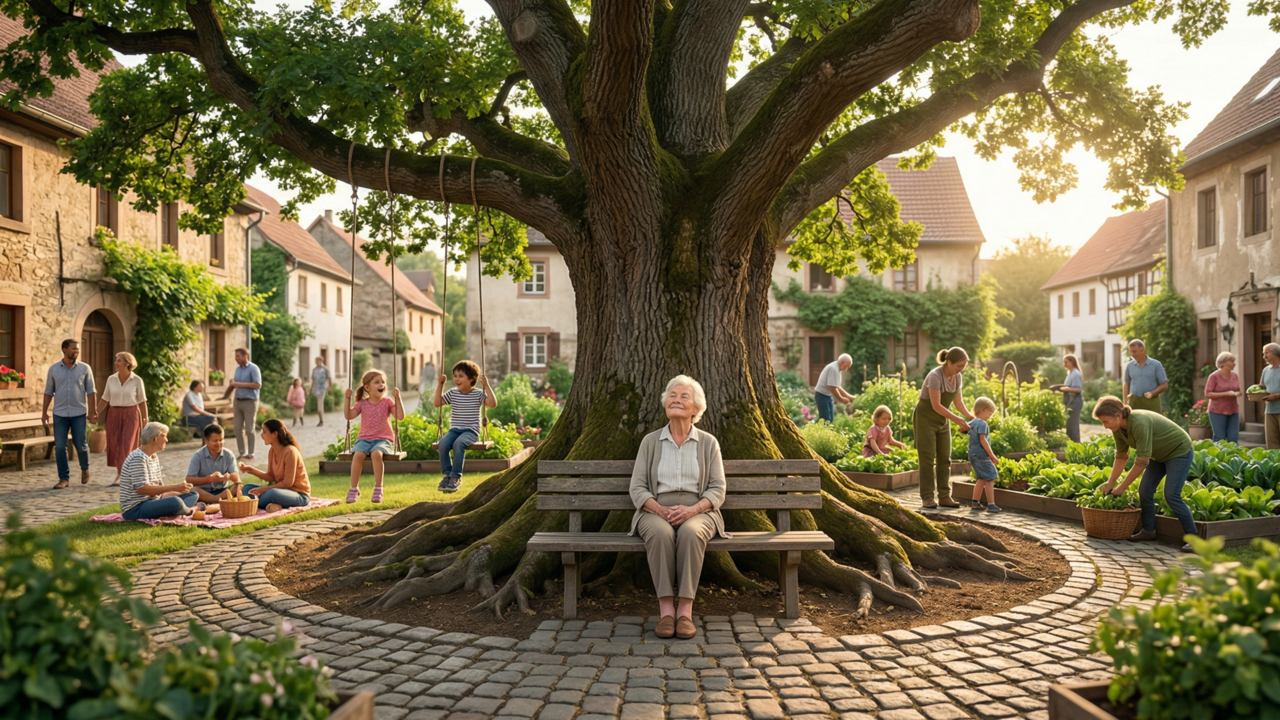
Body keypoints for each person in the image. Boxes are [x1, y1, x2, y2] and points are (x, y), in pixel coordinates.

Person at [629, 376, 727, 640]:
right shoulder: (651, 442)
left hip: (699, 511)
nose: (677, 400)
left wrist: (693, 510)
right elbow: (637, 488)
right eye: (672, 395)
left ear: (697, 408)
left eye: (685, 396)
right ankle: (665, 613)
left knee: (690, 533)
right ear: (665, 405)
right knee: (660, 534)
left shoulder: (708, 443)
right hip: (655, 510)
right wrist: (660, 510)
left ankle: (684, 612)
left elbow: (718, 488)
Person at [1095, 396, 1196, 553]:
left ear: (1118, 415)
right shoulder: (1118, 430)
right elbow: (1121, 456)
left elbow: (1142, 461)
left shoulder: (1139, 423)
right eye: (1102, 423)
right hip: (1158, 455)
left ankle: (1194, 539)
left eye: (1106, 421)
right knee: (1145, 490)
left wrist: (1122, 487)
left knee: (1171, 494)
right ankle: (1148, 531)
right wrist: (1110, 483)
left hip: (1179, 451)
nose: (1105, 426)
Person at [914, 347, 974, 509]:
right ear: (949, 362)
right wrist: (957, 419)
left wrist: (970, 417)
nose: (961, 369)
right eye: (959, 365)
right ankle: (927, 497)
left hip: (942, 420)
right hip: (926, 419)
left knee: (945, 458)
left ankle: (944, 496)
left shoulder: (957, 377)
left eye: (963, 366)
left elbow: (958, 403)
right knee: (927, 459)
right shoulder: (935, 376)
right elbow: (936, 405)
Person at [434, 360, 496, 494]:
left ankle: (455, 477)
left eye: (461, 376)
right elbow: (437, 403)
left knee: (458, 444)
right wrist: (440, 385)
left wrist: (487, 385)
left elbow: (492, 403)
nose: (456, 379)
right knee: (443, 444)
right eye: (455, 375)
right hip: (455, 429)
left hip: (471, 431)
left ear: (472, 378)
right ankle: (447, 475)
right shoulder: (453, 393)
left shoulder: (478, 394)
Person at [344, 369, 406, 504]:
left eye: (383, 382)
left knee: (376, 454)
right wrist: (347, 399)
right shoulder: (362, 404)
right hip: (364, 439)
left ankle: (378, 488)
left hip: (383, 440)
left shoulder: (387, 402)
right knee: (357, 455)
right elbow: (349, 416)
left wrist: (398, 398)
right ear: (367, 387)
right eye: (377, 382)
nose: (381, 385)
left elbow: (400, 417)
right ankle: (354, 489)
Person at [42, 338, 96, 489]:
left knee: (81, 445)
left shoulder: (85, 368)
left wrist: (93, 412)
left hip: (79, 412)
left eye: (77, 349)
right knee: (60, 447)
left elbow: (91, 392)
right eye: (73, 348)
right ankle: (64, 478)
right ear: (64, 350)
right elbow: (48, 392)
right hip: (59, 413)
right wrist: (44, 412)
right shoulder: (54, 369)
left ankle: (84, 468)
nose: (76, 351)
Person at [119, 422, 199, 521]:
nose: (167, 439)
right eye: (164, 436)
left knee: (193, 494)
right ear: (155, 439)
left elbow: (157, 491)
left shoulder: (153, 457)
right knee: (175, 502)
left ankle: (178, 509)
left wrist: (178, 490)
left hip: (152, 501)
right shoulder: (137, 458)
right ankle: (188, 511)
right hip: (135, 508)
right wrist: (174, 487)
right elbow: (142, 489)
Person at [239, 419, 312, 512]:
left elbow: (288, 483)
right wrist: (251, 470)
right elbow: (271, 476)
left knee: (272, 493)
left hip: (299, 495)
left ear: (274, 434)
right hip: (281, 491)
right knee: (247, 488)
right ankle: (270, 504)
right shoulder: (272, 451)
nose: (261, 435)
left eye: (264, 432)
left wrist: (265, 489)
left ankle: (254, 503)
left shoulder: (290, 451)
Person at [98, 352, 147, 487]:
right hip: (113, 414)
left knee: (127, 444)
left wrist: (145, 419)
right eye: (116, 360)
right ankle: (124, 473)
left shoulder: (137, 380)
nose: (116, 363)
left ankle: (121, 476)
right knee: (115, 444)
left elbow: (142, 401)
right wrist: (95, 413)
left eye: (119, 361)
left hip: (131, 414)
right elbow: (105, 398)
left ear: (127, 364)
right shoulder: (111, 379)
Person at [185, 424, 239, 503]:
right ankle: (217, 500)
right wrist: (209, 479)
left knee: (238, 486)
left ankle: (215, 500)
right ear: (206, 440)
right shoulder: (198, 456)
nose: (218, 443)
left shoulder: (229, 454)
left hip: (223, 491)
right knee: (193, 490)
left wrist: (229, 476)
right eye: (215, 441)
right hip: (204, 492)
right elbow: (189, 479)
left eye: (221, 440)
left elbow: (237, 478)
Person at [225, 348, 262, 460]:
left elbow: (257, 385)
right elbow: (235, 383)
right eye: (235, 356)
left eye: (238, 356)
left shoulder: (254, 368)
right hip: (238, 401)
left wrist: (238, 384)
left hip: (250, 401)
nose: (236, 358)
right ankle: (242, 452)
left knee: (249, 428)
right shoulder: (237, 369)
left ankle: (251, 453)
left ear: (245, 356)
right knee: (237, 428)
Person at [967, 397, 1001, 513]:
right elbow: (983, 440)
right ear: (982, 410)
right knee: (990, 478)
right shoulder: (982, 424)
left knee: (981, 478)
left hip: (973, 454)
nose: (989, 417)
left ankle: (975, 502)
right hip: (982, 455)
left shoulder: (972, 422)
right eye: (989, 414)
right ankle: (991, 505)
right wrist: (992, 456)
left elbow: (963, 429)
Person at [1203, 351, 1242, 444]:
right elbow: (1208, 394)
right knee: (1219, 437)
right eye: (1231, 361)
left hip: (1233, 410)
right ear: (1222, 363)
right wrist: (1226, 393)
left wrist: (1238, 393)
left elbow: (1239, 390)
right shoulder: (1214, 376)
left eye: (1234, 361)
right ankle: (1218, 457)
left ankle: (1233, 457)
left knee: (1233, 438)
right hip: (1217, 411)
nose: (1234, 363)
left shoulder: (1235, 376)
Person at [1122, 339, 1167, 414]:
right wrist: (1125, 403)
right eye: (1131, 351)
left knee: (1153, 425)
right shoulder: (1130, 366)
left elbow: (1164, 385)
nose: (1132, 354)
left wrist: (1153, 393)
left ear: (1142, 350)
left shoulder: (1156, 365)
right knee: (1134, 425)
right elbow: (1126, 384)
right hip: (1134, 403)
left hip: (1151, 403)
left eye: (1134, 351)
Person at [813, 354, 855, 422]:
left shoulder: (837, 368)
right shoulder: (834, 369)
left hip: (827, 396)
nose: (846, 369)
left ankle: (827, 432)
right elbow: (833, 388)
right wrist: (841, 399)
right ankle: (823, 432)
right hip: (822, 396)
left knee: (830, 420)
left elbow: (837, 386)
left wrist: (849, 397)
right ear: (841, 362)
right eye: (846, 366)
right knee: (826, 420)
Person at [1060, 354, 1084, 443]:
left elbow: (1078, 389)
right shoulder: (1069, 373)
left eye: (1066, 362)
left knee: (1073, 426)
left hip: (1075, 402)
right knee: (1069, 425)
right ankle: (1070, 444)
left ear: (1072, 362)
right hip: (1070, 401)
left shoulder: (1076, 374)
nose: (1064, 364)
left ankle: (1076, 445)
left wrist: (1065, 389)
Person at [1261, 343, 1280, 449]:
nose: (1264, 356)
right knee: (1271, 442)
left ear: (1275, 353)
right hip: (1269, 410)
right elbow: (1261, 387)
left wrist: (1277, 396)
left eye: (1266, 353)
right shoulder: (1265, 370)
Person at [310, 356, 330, 427]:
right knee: (319, 405)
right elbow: (313, 380)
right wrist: (311, 388)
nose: (316, 362)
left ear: (321, 361)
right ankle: (321, 419)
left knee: (320, 406)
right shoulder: (314, 370)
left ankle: (321, 420)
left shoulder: (325, 369)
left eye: (317, 361)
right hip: (316, 389)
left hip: (322, 389)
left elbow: (329, 378)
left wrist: (329, 387)